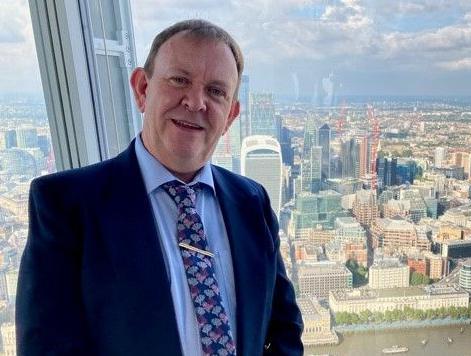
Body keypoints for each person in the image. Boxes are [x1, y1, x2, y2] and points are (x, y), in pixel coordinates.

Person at [16, 19, 303, 356]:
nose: (196, 102)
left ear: (230, 116)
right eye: (179, 80)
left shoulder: (252, 202)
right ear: (142, 89)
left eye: (216, 91)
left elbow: (283, 328)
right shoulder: (66, 206)